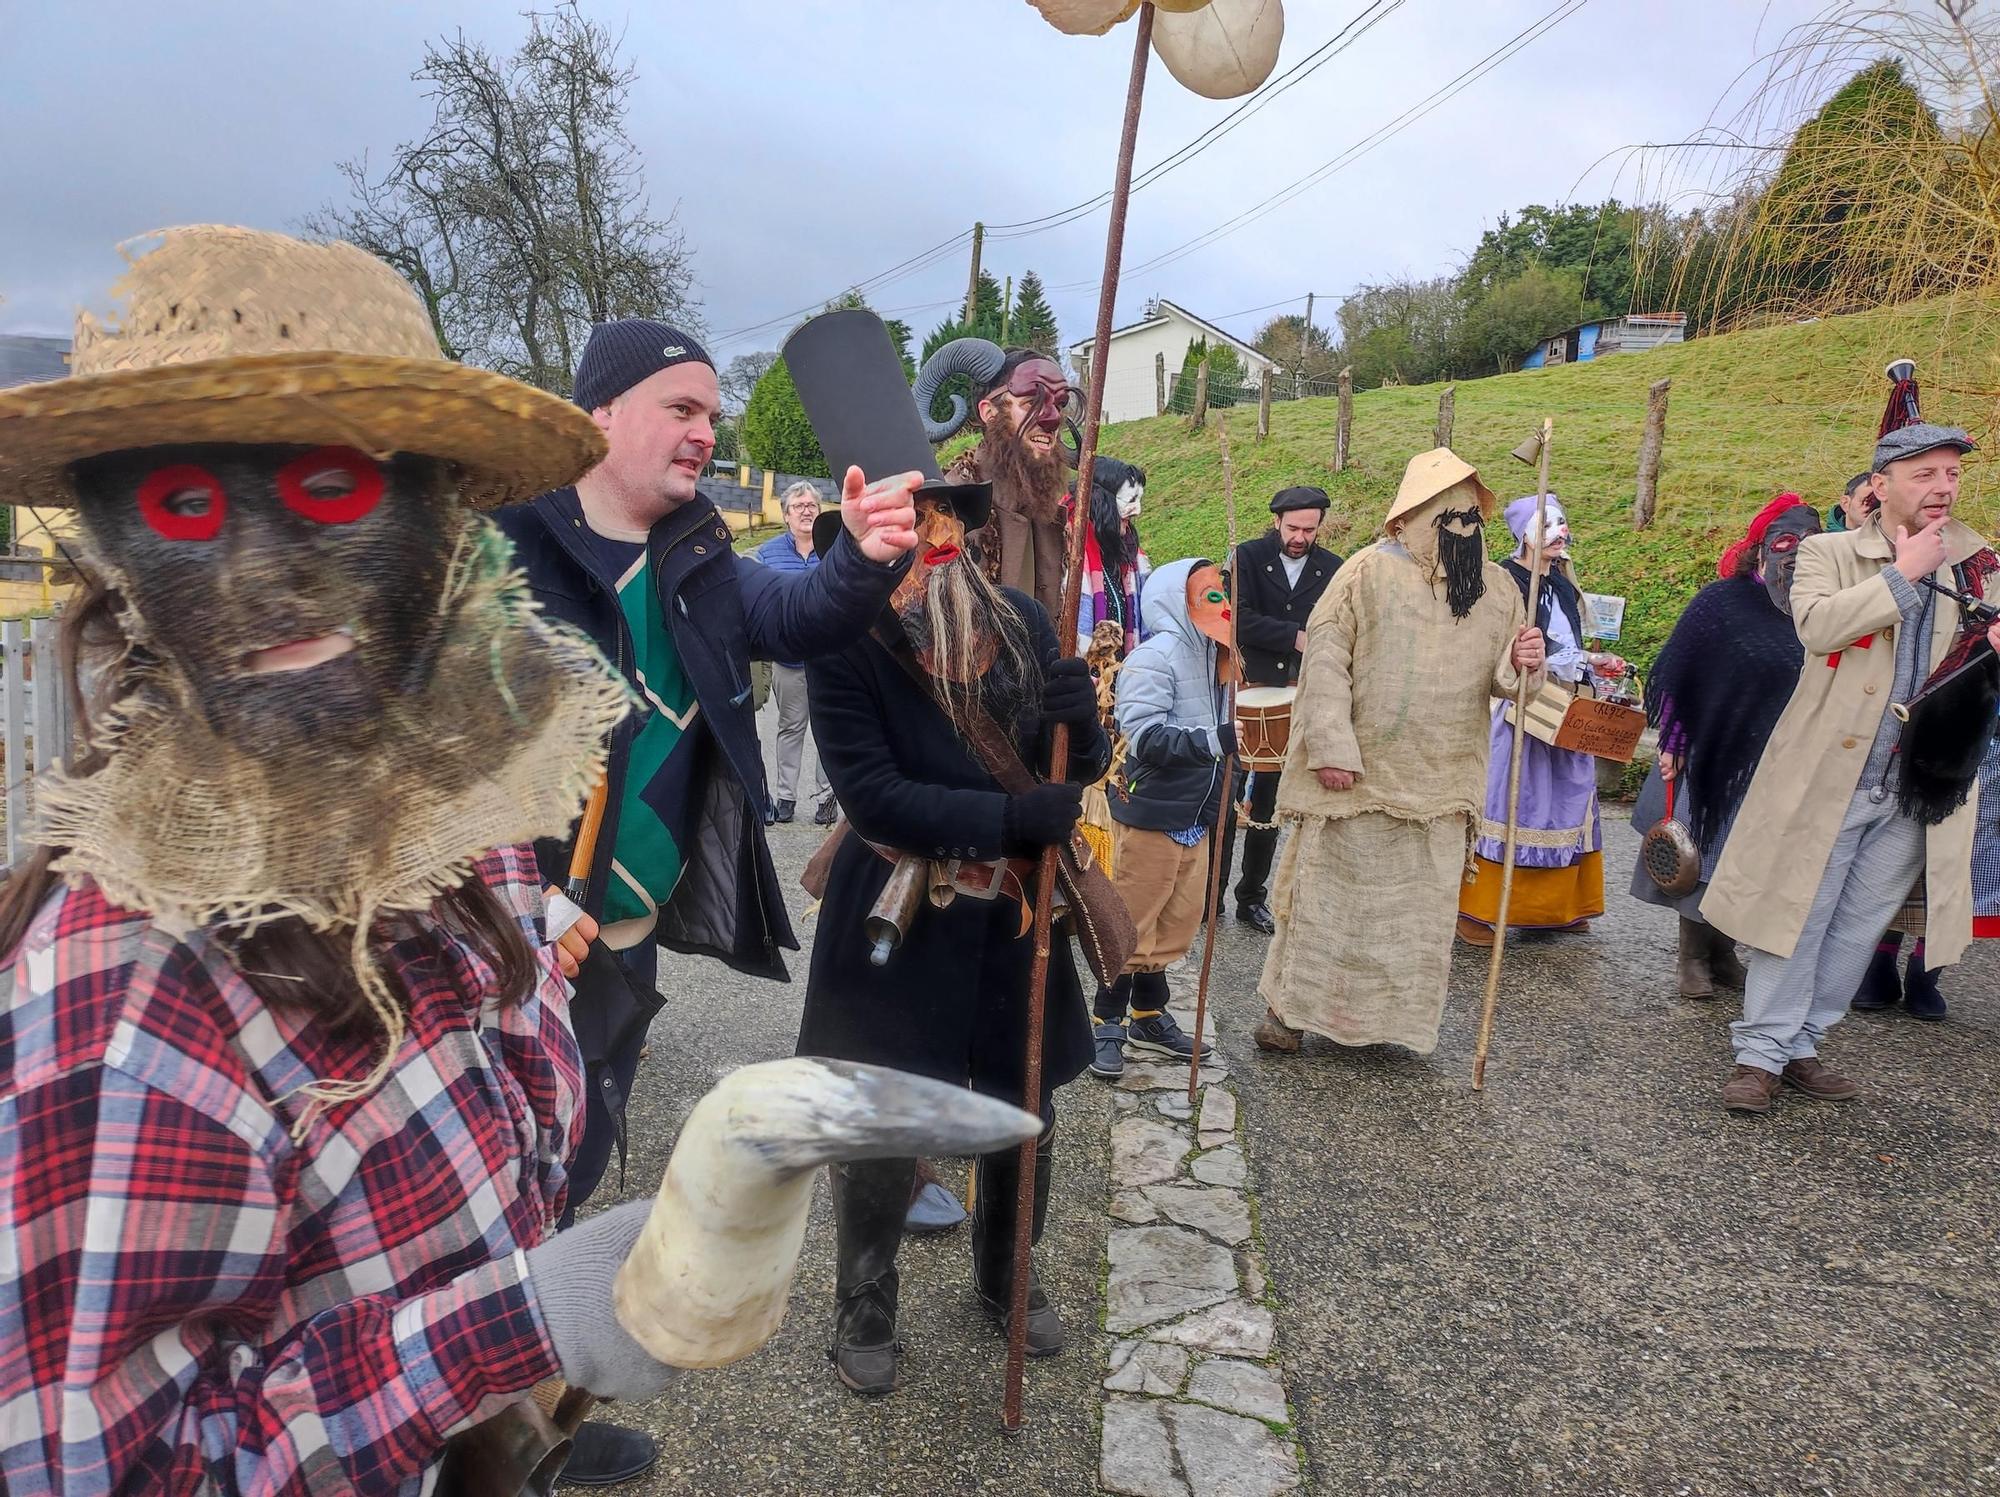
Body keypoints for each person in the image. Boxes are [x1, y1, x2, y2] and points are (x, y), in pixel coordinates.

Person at [0, 224, 702, 1494]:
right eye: (187, 505)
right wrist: (522, 1323)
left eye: (330, 488)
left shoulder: (462, 812)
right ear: (119, 557)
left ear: (443, 516)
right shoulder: (131, 992)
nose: (264, 574)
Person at [495, 318, 917, 1475]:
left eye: (710, 415)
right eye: (681, 409)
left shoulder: (692, 551)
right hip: (506, 946)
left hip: (623, 945)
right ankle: (472, 1433)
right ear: (599, 418)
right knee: (490, 1196)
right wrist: (515, 900)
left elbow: (794, 617)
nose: (705, 432)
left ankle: (531, 1420)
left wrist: (867, 555)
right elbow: (435, 746)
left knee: (570, 1165)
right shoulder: (504, 547)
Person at [781, 308, 1107, 1394]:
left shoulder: (1020, 615)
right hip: (896, 906)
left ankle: (1006, 1277)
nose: (936, 539)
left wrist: (1082, 724)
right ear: (874, 529)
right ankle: (863, 1304)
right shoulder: (843, 640)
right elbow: (871, 790)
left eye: (950, 519)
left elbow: (1069, 771)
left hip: (1010, 915)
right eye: (913, 520)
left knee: (1026, 1106)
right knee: (882, 1119)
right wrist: (1009, 824)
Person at [1704, 411, 1999, 1115]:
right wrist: (1903, 575)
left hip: (1923, 784)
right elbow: (1819, 626)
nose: (1943, 486)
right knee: (1798, 914)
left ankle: (1802, 1042)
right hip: (1833, 776)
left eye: (1952, 473)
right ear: (1882, 483)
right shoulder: (1827, 552)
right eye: (1925, 473)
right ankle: (1758, 1054)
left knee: (1860, 925)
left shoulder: (1982, 564)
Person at [1253, 448, 1545, 1057]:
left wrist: (1526, 666)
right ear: (1411, 519)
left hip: (1441, 784)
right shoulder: (1367, 573)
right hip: (1358, 781)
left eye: (1472, 517)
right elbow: (1326, 665)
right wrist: (1332, 748)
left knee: (1413, 921)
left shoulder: (1498, 590)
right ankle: (1291, 1013)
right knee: (1331, 905)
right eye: (1448, 517)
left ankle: (1390, 1026)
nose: (1463, 529)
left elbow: (1509, 683)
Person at [1628, 494, 1820, 999]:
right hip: (1709, 754)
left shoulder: (1817, 613)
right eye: (1783, 542)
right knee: (1704, 854)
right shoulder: (1721, 601)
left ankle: (1723, 951)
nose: (1795, 554)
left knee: (1747, 859)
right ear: (1759, 549)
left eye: (1808, 543)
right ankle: (1692, 956)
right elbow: (1675, 672)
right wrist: (1672, 740)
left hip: (1775, 758)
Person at [1089, 558, 1232, 1079]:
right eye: (1209, 596)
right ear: (1177, 601)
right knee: (1131, 921)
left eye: (1221, 592)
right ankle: (1107, 1020)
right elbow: (1143, 736)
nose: (1221, 603)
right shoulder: (1155, 657)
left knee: (1176, 919)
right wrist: (1214, 742)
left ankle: (1149, 1014)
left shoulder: (1218, 654)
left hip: (1196, 809)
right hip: (1153, 810)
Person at [1457, 495, 1622, 945]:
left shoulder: (1564, 586)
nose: (1560, 532)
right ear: (1523, 533)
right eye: (1547, 524)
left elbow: (1567, 644)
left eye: (1563, 523)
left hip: (1565, 707)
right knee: (1513, 803)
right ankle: (1477, 910)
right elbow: (1503, 643)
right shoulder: (1502, 582)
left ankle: (1551, 909)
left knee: (1568, 801)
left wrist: (1594, 664)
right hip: (1519, 708)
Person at [1218, 485, 1342, 935]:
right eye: (1293, 528)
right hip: (1246, 685)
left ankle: (1252, 897)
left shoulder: (1333, 568)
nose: (1300, 536)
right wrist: (1294, 636)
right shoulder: (1246, 558)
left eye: (1309, 529)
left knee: (1270, 802)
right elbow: (1237, 617)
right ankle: (1211, 899)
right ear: (1277, 522)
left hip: (1295, 691)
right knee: (1228, 796)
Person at [912, 337, 1074, 622]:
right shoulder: (947, 511)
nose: (1052, 420)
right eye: (1030, 403)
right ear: (989, 412)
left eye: (1058, 405)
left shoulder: (1049, 512)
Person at [755, 480, 837, 826]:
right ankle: (785, 797)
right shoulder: (767, 553)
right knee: (790, 728)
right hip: (788, 660)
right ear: (786, 515)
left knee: (829, 730)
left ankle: (826, 796)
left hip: (831, 660)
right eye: (799, 506)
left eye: (812, 506)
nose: (806, 511)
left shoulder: (835, 549)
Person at [1075, 454, 1150, 657]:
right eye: (1131, 500)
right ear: (1101, 500)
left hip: (1121, 677)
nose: (1137, 511)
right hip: (1084, 680)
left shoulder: (1128, 556)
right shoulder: (1070, 551)